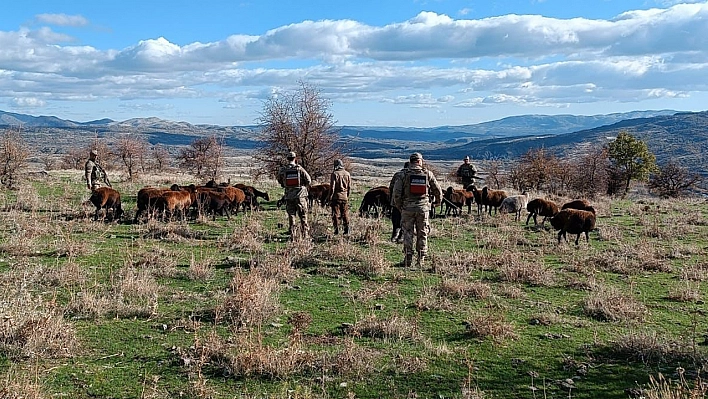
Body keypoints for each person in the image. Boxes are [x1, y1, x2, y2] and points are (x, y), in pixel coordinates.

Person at [392, 152, 442, 268]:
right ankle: (421, 260)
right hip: (423, 208)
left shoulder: (402, 174)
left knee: (407, 233)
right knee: (422, 232)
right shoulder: (427, 174)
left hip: (407, 208)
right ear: (420, 161)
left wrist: (400, 207)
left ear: (410, 161)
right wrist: (436, 203)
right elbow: (437, 190)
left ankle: (408, 258)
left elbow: (396, 194)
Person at [277, 151, 312, 239]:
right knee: (303, 215)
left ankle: (293, 234)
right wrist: (303, 186)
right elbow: (309, 180)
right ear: (295, 158)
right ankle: (305, 234)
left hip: (289, 196)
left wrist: (285, 185)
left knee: (291, 215)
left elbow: (279, 180)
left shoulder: (283, 170)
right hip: (300, 196)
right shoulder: (299, 169)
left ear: (287, 159)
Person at [327, 159, 351, 235]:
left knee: (335, 214)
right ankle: (347, 229)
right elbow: (349, 187)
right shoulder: (347, 174)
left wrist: (329, 197)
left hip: (336, 197)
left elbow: (332, 187)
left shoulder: (334, 174)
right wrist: (347, 195)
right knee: (345, 213)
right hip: (344, 197)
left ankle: (336, 230)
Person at [388, 161, 409, 243]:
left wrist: (391, 200)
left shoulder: (397, 174)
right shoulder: (413, 175)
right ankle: (402, 236)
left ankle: (395, 235)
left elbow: (391, 188)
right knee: (405, 220)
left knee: (396, 219)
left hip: (396, 201)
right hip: (407, 202)